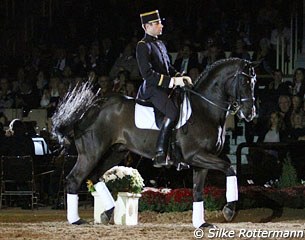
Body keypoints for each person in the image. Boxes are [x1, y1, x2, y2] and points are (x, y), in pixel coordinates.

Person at [136, 10, 192, 168]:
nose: (161, 25)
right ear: (147, 26)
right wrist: (173, 81)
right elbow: (147, 74)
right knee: (173, 112)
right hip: (153, 89)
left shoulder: (159, 43)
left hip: (165, 87)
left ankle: (177, 153)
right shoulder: (142, 46)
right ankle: (160, 153)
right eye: (157, 23)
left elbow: (167, 67)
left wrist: (180, 76)